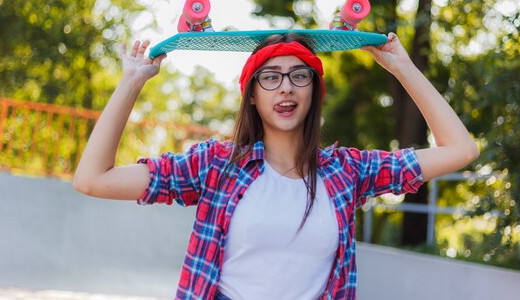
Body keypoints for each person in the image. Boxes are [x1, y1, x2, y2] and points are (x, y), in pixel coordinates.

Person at [73, 32, 479, 300]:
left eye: (298, 76)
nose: (285, 86)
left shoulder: (347, 171)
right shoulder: (216, 166)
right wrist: (131, 83)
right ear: (251, 96)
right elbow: (94, 179)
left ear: (314, 91)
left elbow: (460, 149)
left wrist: (402, 67)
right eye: (270, 77)